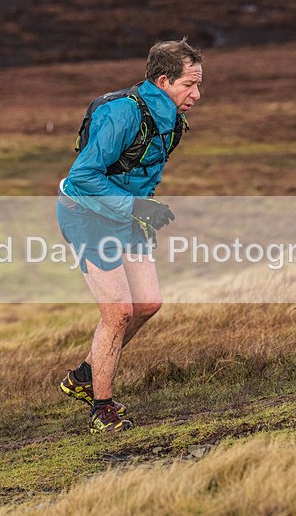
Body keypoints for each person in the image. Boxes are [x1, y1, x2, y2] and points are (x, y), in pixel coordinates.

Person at [56, 39, 203, 433]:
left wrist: (144, 211)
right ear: (163, 80)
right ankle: (101, 409)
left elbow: (143, 171)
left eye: (198, 84)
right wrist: (137, 207)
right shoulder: (122, 114)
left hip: (124, 215)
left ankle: (86, 374)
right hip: (84, 213)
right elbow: (82, 177)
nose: (197, 94)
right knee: (118, 311)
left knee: (148, 303)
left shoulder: (172, 121)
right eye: (189, 84)